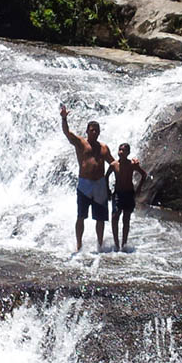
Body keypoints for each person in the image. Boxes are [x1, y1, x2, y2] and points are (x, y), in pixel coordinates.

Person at [61, 104, 113, 252]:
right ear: (87, 131)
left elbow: (112, 161)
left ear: (99, 132)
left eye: (96, 130)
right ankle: (79, 245)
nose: (94, 132)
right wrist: (64, 118)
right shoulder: (81, 143)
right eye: (92, 130)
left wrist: (128, 164)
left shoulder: (103, 147)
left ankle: (100, 244)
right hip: (85, 184)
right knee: (81, 216)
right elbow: (67, 133)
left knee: (100, 218)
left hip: (100, 185)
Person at [106, 143, 148, 251]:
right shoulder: (113, 165)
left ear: (128, 153)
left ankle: (124, 244)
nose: (121, 152)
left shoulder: (132, 165)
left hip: (129, 194)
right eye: (119, 150)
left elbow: (144, 174)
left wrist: (138, 189)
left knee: (126, 219)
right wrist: (108, 190)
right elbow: (106, 177)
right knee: (115, 217)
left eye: (123, 150)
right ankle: (116, 244)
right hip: (118, 194)